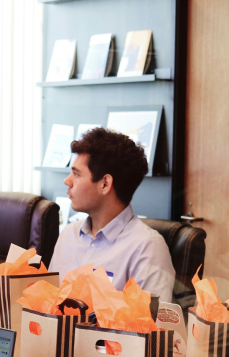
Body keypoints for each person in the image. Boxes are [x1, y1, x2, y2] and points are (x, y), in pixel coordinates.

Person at [48, 127, 175, 304]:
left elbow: (153, 320)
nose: (67, 181)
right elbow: (47, 305)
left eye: (76, 174)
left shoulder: (146, 247)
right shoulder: (68, 235)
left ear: (105, 184)